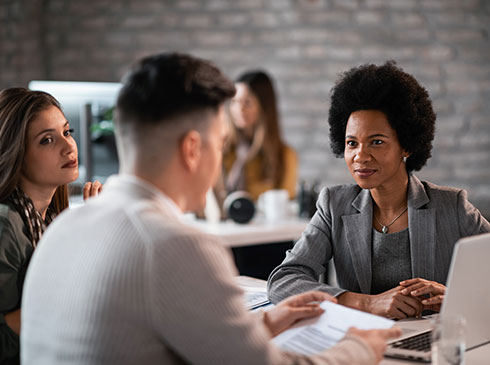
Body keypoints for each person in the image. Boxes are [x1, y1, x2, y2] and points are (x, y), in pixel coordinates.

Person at [21, 53, 400, 364]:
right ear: (192, 149)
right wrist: (360, 348)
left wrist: (267, 322)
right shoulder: (174, 244)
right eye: (219, 144)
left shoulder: (64, 227)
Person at [268, 61, 490, 320]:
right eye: (352, 143)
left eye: (376, 142)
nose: (361, 156)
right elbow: (283, 281)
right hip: (361, 342)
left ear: (406, 146)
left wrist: (453, 296)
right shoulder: (334, 205)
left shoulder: (452, 207)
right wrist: (366, 304)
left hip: (431, 344)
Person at [0, 88, 102, 364]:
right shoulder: (6, 224)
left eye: (67, 132)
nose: (69, 146)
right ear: (15, 154)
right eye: (47, 140)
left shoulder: (50, 219)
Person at [220, 70, 297, 201]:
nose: (239, 109)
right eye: (234, 102)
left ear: (264, 106)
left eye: (247, 103)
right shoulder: (222, 149)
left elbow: (287, 205)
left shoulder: (284, 155)